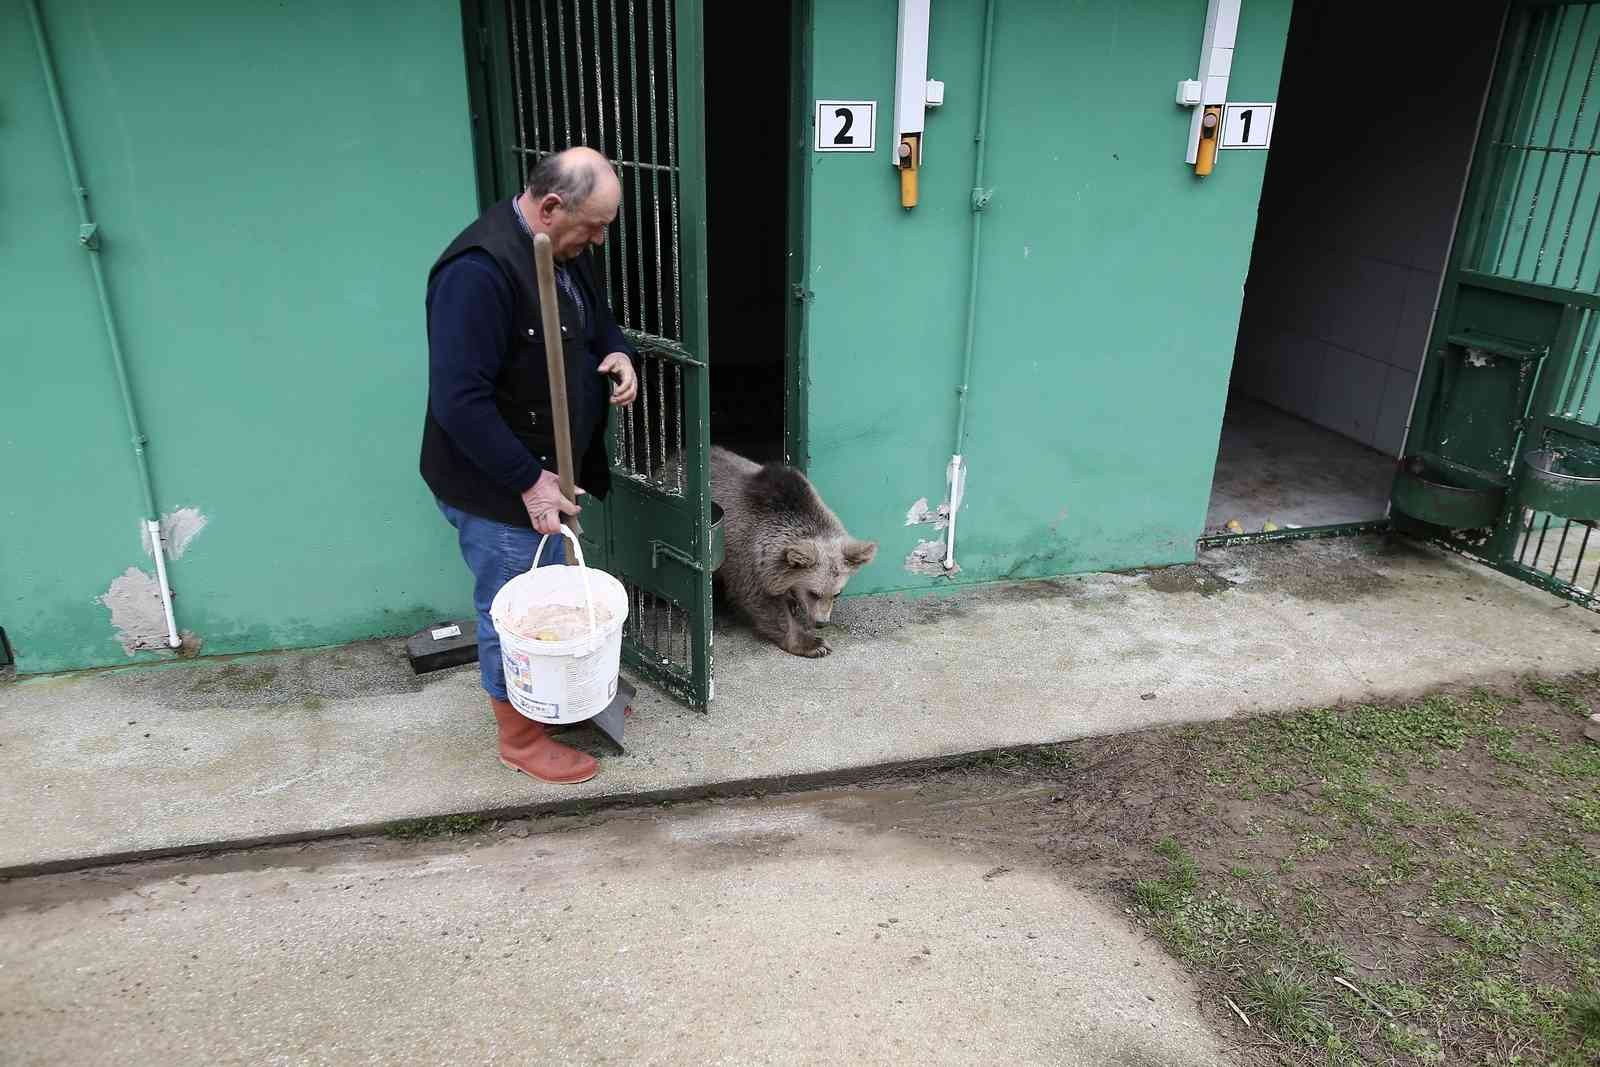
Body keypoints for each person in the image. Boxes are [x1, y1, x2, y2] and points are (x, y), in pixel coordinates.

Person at [421, 147, 638, 785]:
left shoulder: (560, 248)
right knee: (511, 610)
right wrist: (529, 481)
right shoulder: (477, 274)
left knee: (551, 590)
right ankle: (520, 739)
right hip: (500, 483)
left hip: (543, 473)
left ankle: (552, 699)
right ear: (549, 207)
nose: (600, 239)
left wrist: (618, 352)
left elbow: (594, 319)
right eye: (594, 226)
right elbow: (458, 402)